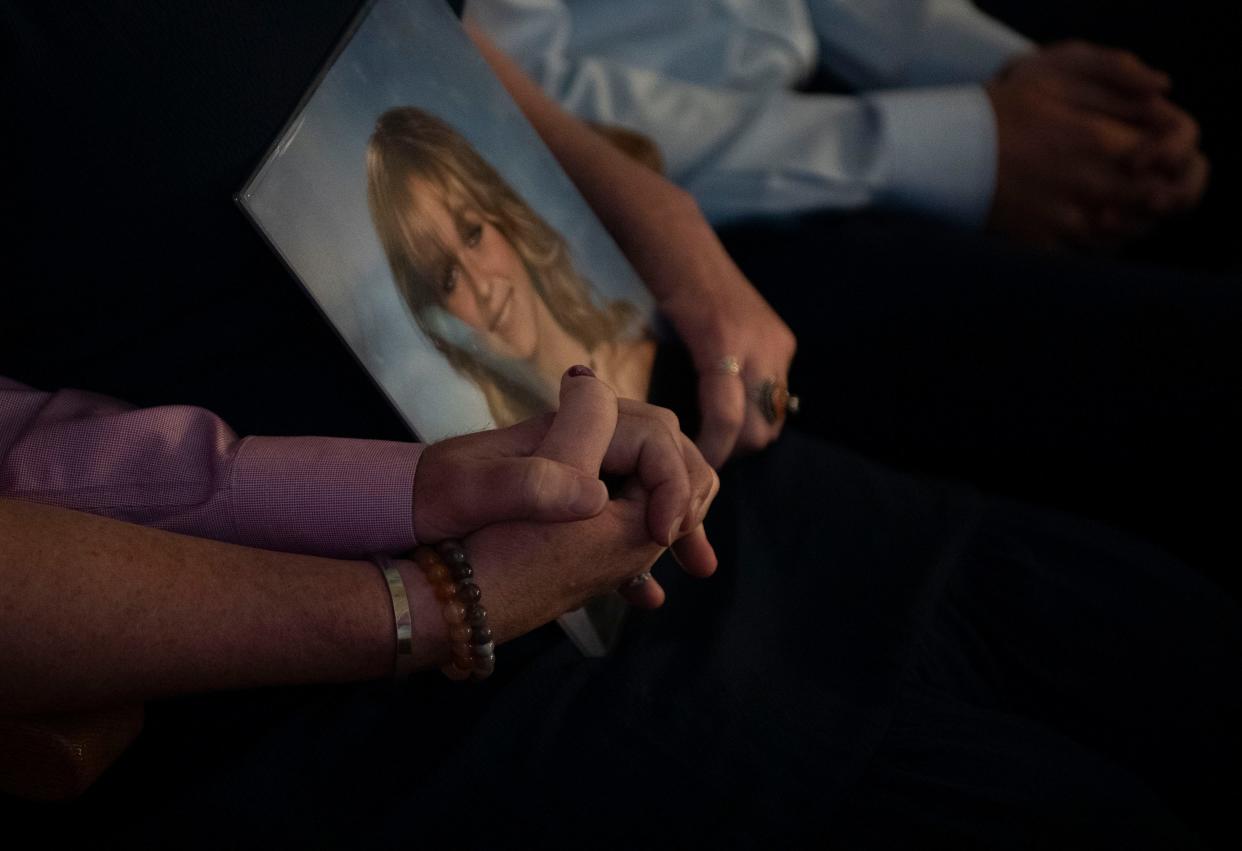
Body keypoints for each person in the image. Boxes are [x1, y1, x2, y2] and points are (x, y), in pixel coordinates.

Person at [3, 2, 1240, 846]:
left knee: (1176, 653)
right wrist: (425, 603)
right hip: (374, 690)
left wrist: (655, 214)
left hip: (661, 470)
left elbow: (409, 34)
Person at [366, 106, 655, 426]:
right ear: (440, 317)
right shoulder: (516, 469)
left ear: (506, 220)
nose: (482, 286)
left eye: (473, 234)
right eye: (448, 276)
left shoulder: (651, 361)